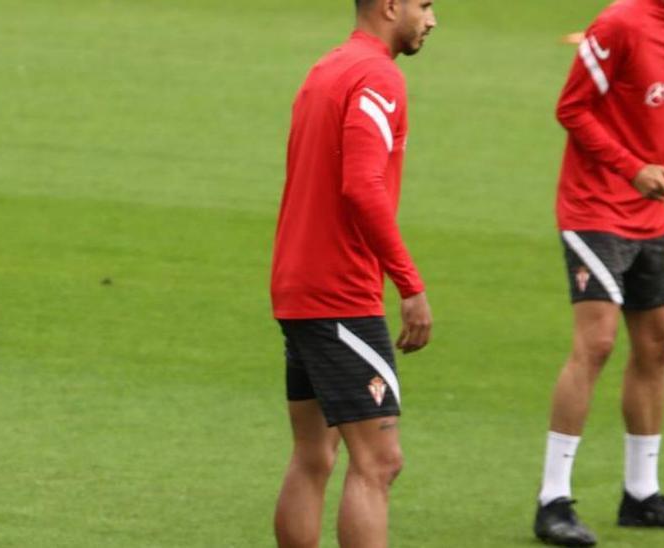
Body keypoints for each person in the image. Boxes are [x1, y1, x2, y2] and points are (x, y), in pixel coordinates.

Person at [269, 1, 436, 546]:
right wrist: (410, 285)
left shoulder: (326, 69)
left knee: (314, 454)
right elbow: (361, 186)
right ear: (391, 6)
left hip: (299, 285)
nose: (431, 21)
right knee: (379, 462)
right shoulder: (377, 76)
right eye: (425, 5)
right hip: (340, 294)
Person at [534, 0, 664, 545]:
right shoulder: (621, 22)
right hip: (594, 207)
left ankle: (641, 493)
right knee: (596, 342)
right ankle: (552, 500)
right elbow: (572, 109)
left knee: (658, 343)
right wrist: (632, 169)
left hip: (648, 214)